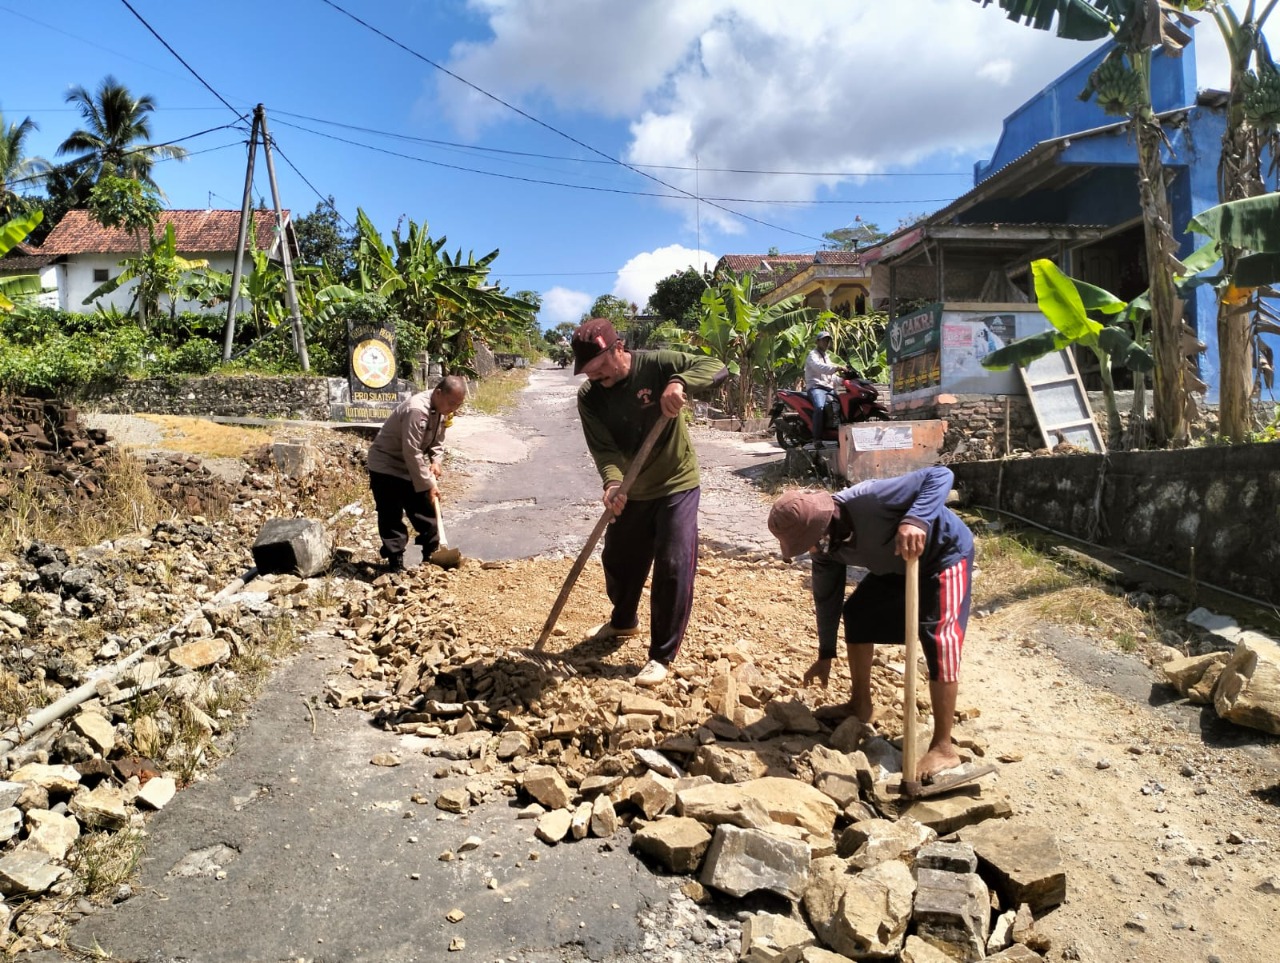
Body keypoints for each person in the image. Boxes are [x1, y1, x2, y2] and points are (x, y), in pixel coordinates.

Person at [766, 466, 975, 780]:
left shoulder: (871, 499)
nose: (812, 550)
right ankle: (859, 705)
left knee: (939, 637)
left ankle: (943, 747)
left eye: (811, 542)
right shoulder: (826, 550)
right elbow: (827, 598)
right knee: (859, 613)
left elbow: (940, 475)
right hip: (896, 567)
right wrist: (825, 654)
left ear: (826, 523)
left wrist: (915, 518)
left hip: (943, 555)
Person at [571, 318, 727, 687]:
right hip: (632, 488)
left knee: (673, 564)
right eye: (588, 372)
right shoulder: (590, 397)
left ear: (619, 348)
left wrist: (679, 381)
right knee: (619, 560)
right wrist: (611, 483)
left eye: (599, 368)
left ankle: (661, 654)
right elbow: (603, 448)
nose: (595, 377)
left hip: (676, 482)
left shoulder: (657, 364)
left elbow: (717, 367)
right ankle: (623, 622)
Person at [366, 375, 468, 572]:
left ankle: (431, 558)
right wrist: (429, 484)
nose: (454, 409)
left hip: (411, 463)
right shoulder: (416, 410)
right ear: (438, 393)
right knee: (391, 513)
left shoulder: (442, 408)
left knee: (426, 510)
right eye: (452, 403)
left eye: (458, 405)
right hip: (387, 464)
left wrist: (436, 461)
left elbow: (438, 439)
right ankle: (395, 562)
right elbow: (411, 452)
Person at [804, 331, 841, 449]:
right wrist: (836, 368)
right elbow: (820, 368)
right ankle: (817, 439)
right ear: (817, 341)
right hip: (816, 387)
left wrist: (844, 380)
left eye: (828, 340)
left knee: (840, 407)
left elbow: (831, 376)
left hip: (828, 388)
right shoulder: (812, 355)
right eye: (824, 340)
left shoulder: (826, 356)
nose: (826, 343)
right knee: (820, 408)